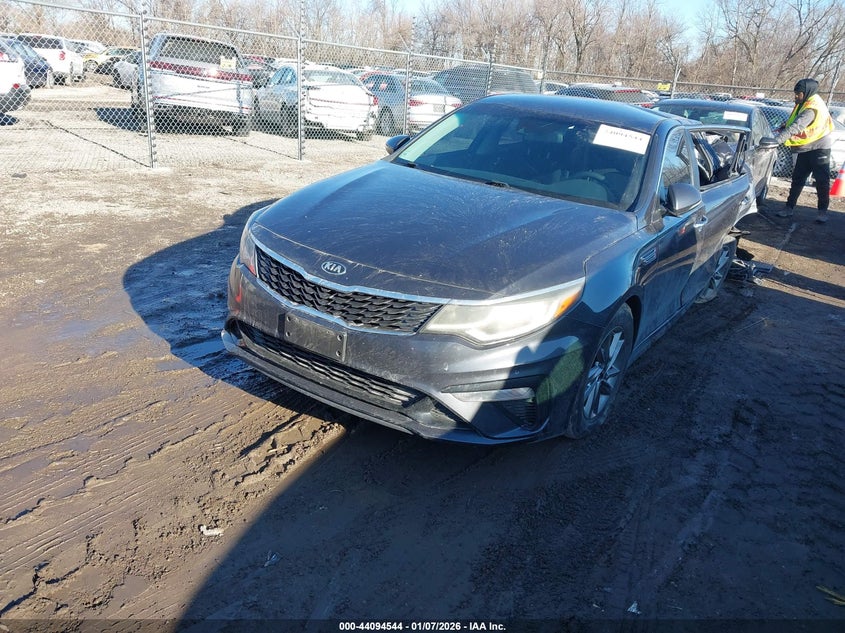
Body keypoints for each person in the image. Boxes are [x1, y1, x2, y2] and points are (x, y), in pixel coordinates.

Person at [773, 78, 835, 223]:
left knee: (821, 181)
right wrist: (784, 126)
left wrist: (776, 141)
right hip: (805, 147)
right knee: (797, 179)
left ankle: (822, 212)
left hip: (819, 147)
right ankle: (789, 208)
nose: (795, 96)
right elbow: (793, 121)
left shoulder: (812, 107)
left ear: (806, 92)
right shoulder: (805, 102)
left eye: (798, 93)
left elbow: (796, 127)